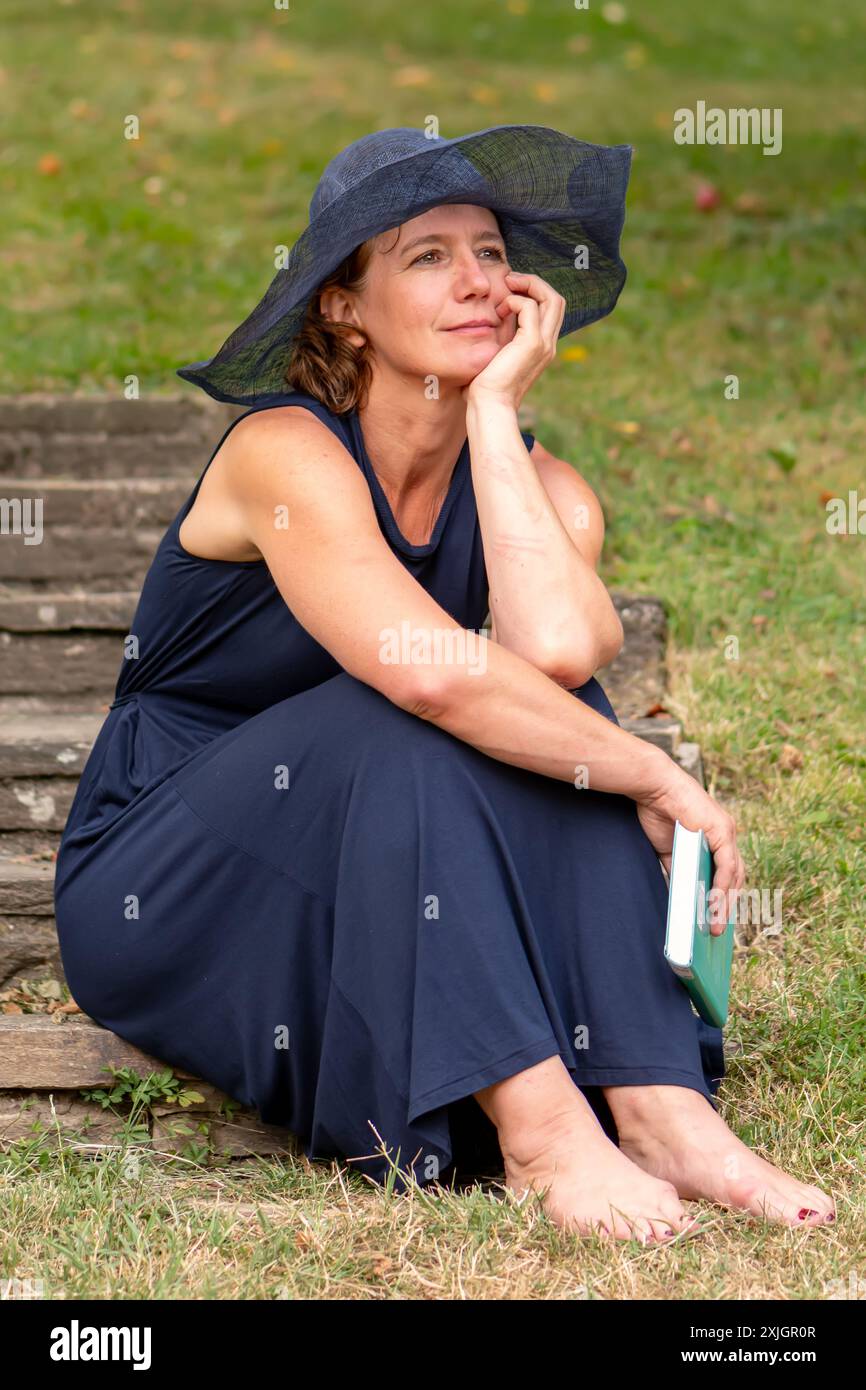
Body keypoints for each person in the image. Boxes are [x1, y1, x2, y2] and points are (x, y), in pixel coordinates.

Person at [54, 125, 834, 1243]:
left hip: (364, 865)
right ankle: (542, 1136)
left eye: (488, 252)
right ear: (341, 305)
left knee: (565, 723)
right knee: (412, 710)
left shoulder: (539, 485)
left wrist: (492, 417)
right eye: (426, 256)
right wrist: (658, 776)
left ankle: (660, 1107)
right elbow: (427, 680)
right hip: (177, 877)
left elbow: (560, 653)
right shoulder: (283, 452)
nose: (476, 281)